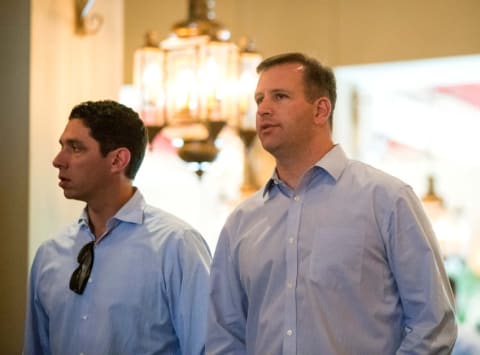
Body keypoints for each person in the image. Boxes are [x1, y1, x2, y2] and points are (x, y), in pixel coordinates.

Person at [207, 53, 457, 354]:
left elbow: (432, 324)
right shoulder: (241, 222)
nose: (263, 110)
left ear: (321, 109)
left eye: (280, 96)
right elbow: (225, 335)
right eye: (259, 99)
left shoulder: (387, 200)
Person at [24, 100, 211, 354]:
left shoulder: (176, 246)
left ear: (117, 160)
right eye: (62, 147)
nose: (58, 161)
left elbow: (206, 348)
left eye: (75, 148)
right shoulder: (49, 254)